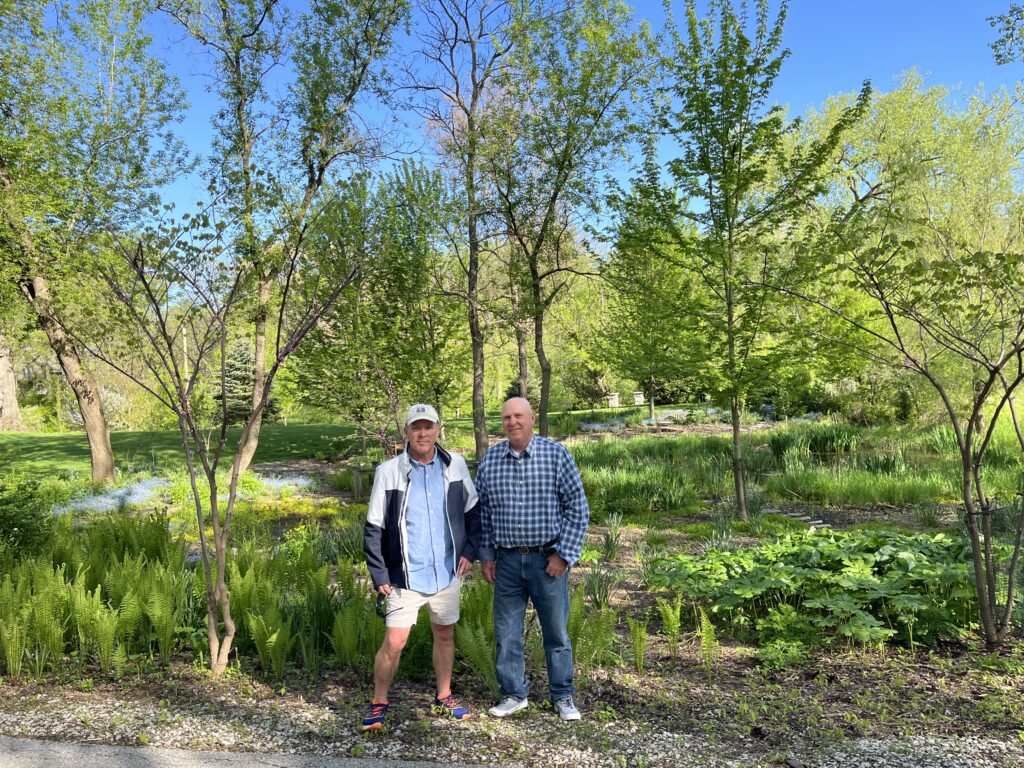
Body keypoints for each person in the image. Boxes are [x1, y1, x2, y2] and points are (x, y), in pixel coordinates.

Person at [361, 403, 480, 731]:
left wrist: (470, 550)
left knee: (444, 633)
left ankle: (444, 695)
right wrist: (379, 572)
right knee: (395, 641)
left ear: (438, 430)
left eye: (429, 426)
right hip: (405, 576)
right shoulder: (389, 471)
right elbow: (373, 527)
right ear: (407, 433)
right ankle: (379, 701)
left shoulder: (454, 465)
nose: (423, 433)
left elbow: (473, 512)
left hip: (447, 572)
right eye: (416, 427)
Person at [476, 397, 590, 722]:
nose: (512, 422)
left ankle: (563, 696)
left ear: (532, 418)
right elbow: (484, 514)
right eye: (507, 417)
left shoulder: (556, 455)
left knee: (555, 632)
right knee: (507, 632)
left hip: (547, 561)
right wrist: (486, 556)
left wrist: (564, 555)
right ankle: (513, 694)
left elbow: (577, 509)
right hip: (507, 561)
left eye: (519, 416)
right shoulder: (490, 461)